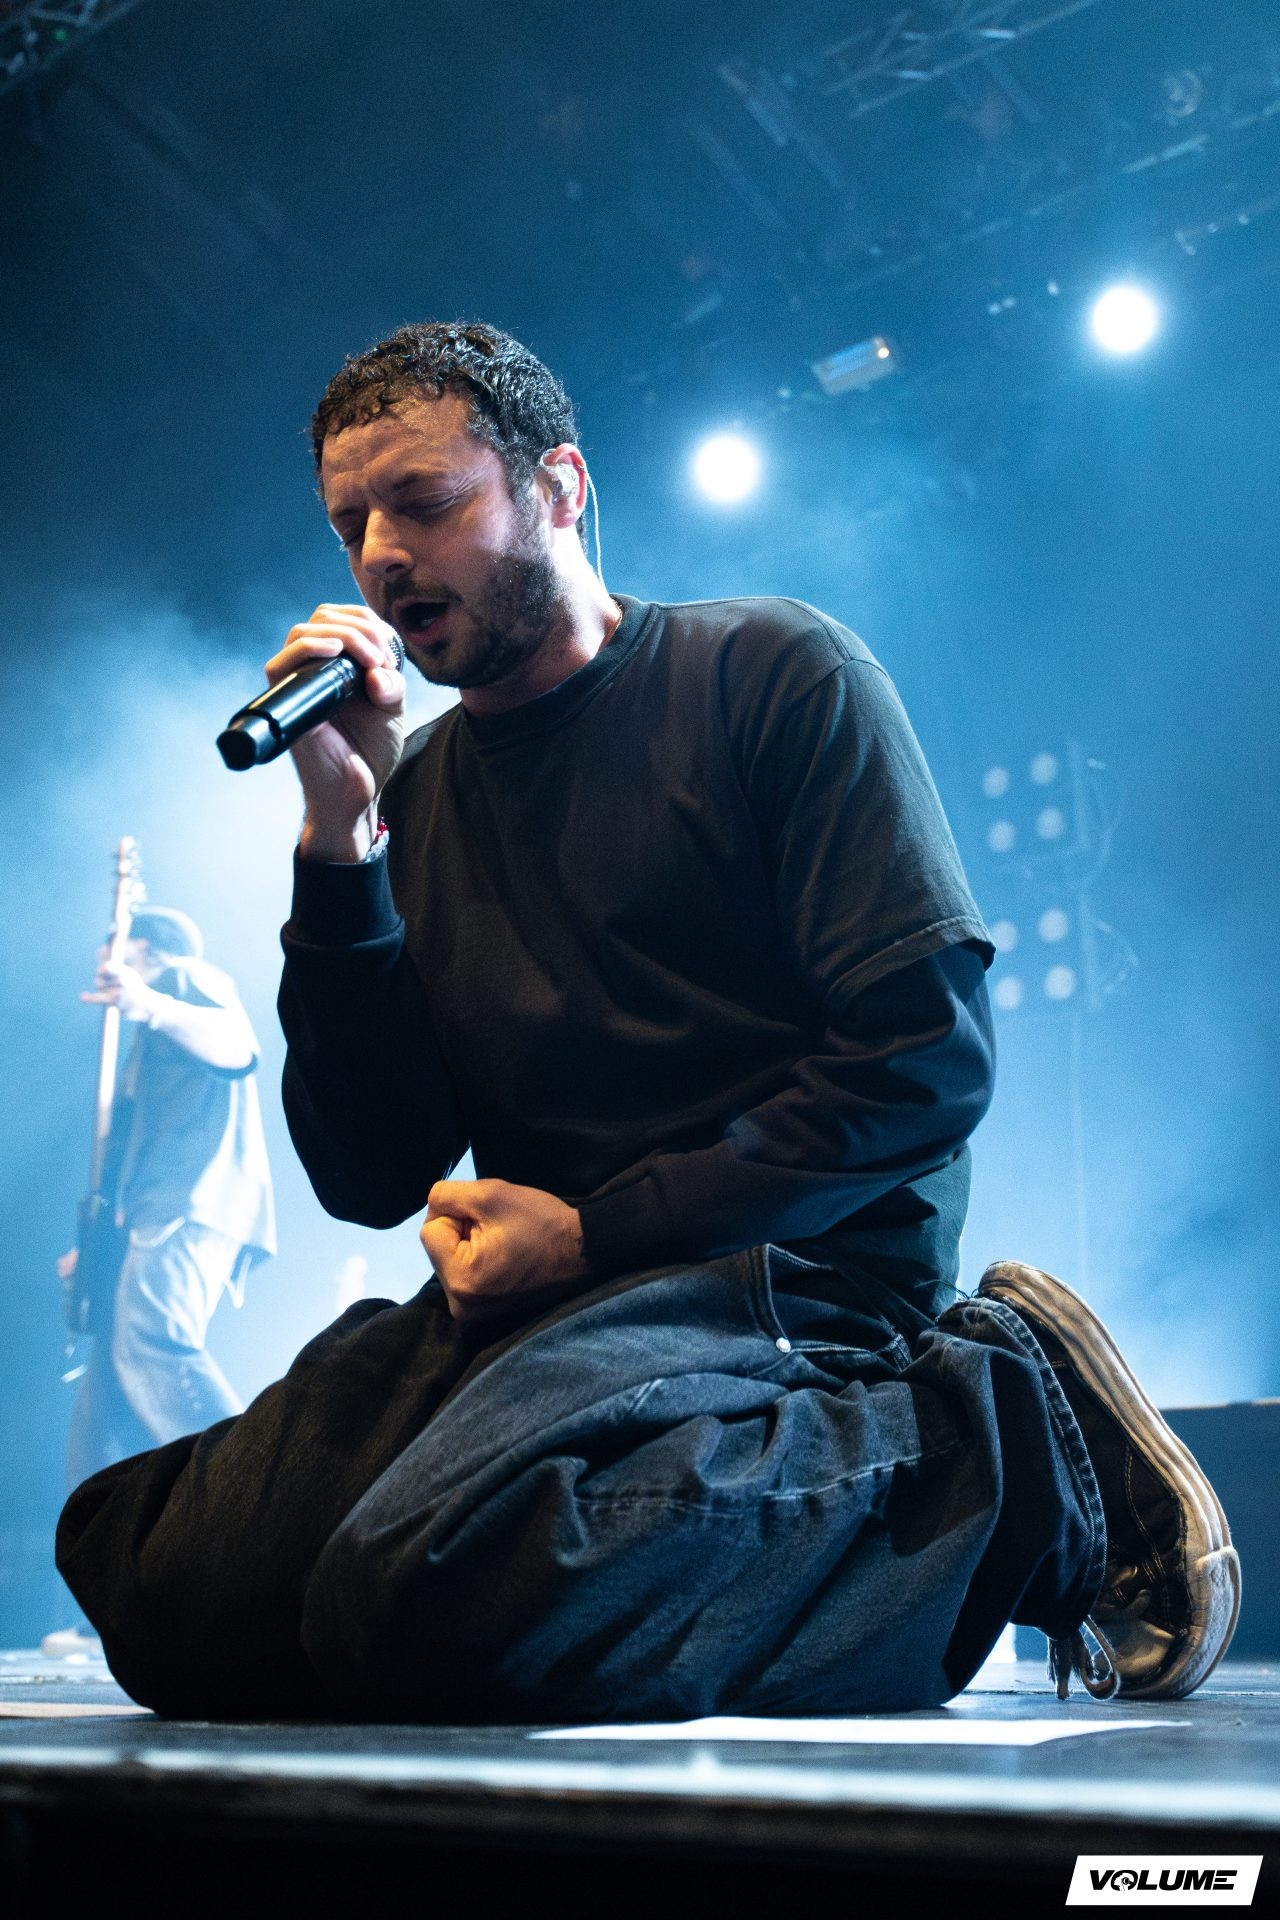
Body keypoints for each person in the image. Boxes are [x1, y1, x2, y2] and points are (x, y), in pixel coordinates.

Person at [55, 323, 1238, 1723]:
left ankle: (1001, 1451)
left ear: (557, 488)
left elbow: (924, 1062)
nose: (380, 555)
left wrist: (594, 1233)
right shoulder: (411, 796)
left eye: (423, 502)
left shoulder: (772, 674)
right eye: (349, 523)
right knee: (167, 1586)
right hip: (560, 1306)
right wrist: (340, 843)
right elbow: (370, 1172)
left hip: (796, 1280)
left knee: (437, 1594)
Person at [59, 907, 276, 1489]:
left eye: (115, 948)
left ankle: (249, 1486)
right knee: (107, 1399)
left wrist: (150, 1002)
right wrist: (97, 1246)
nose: (103, 961)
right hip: (149, 1213)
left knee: (152, 1346)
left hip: (185, 1204)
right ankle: (121, 1523)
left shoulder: (184, 977)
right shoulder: (153, 1026)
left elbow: (237, 1046)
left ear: (147, 949)